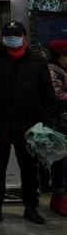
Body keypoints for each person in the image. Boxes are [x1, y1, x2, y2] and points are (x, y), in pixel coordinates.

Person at [0, 20, 55, 224]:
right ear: (3, 37)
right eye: (8, 34)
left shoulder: (38, 62)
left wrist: (46, 123)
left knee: (29, 168)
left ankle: (31, 207)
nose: (12, 37)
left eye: (16, 34)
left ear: (24, 36)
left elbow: (48, 97)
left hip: (30, 126)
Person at [45, 40, 67, 217]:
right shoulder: (53, 70)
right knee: (60, 160)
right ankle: (59, 196)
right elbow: (57, 94)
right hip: (59, 124)